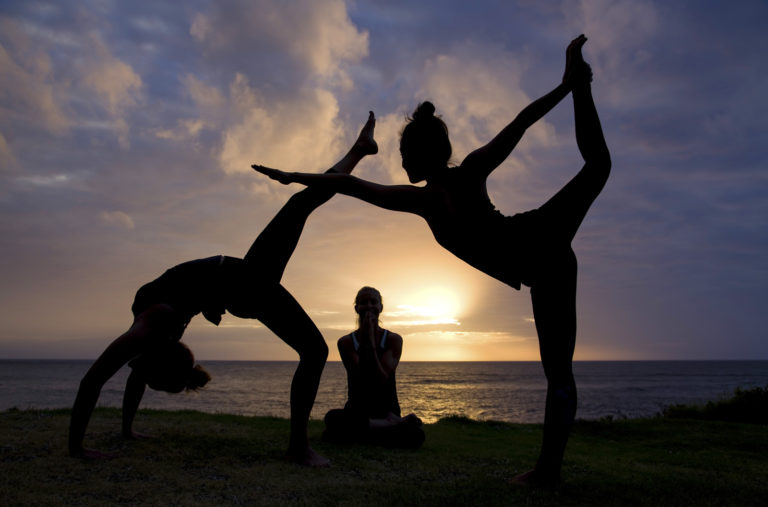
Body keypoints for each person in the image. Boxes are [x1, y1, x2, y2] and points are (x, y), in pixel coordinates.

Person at [253, 36, 610, 483]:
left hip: (537, 245)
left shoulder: (431, 197)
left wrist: (294, 176)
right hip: (545, 257)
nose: (402, 163)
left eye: (405, 155)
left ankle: (578, 82)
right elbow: (520, 124)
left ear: (421, 155)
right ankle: (580, 84)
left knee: (559, 372)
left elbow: (351, 186)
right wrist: (563, 88)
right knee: (598, 167)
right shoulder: (464, 174)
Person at [68, 113, 379, 466]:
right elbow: (100, 379)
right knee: (315, 347)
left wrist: (120, 432)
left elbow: (119, 375)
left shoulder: (153, 331)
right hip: (246, 284)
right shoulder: (155, 327)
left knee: (300, 207)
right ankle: (298, 448)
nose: (140, 374)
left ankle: (359, 149)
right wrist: (78, 448)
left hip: (240, 281)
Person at [323, 286, 424, 449]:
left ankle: (369, 430)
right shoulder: (346, 342)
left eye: (373, 302)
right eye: (364, 302)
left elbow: (379, 379)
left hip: (386, 409)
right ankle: (390, 426)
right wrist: (366, 339)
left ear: (380, 307)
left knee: (416, 436)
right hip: (358, 410)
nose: (369, 306)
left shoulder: (393, 340)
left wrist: (369, 341)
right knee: (332, 418)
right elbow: (362, 379)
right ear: (357, 308)